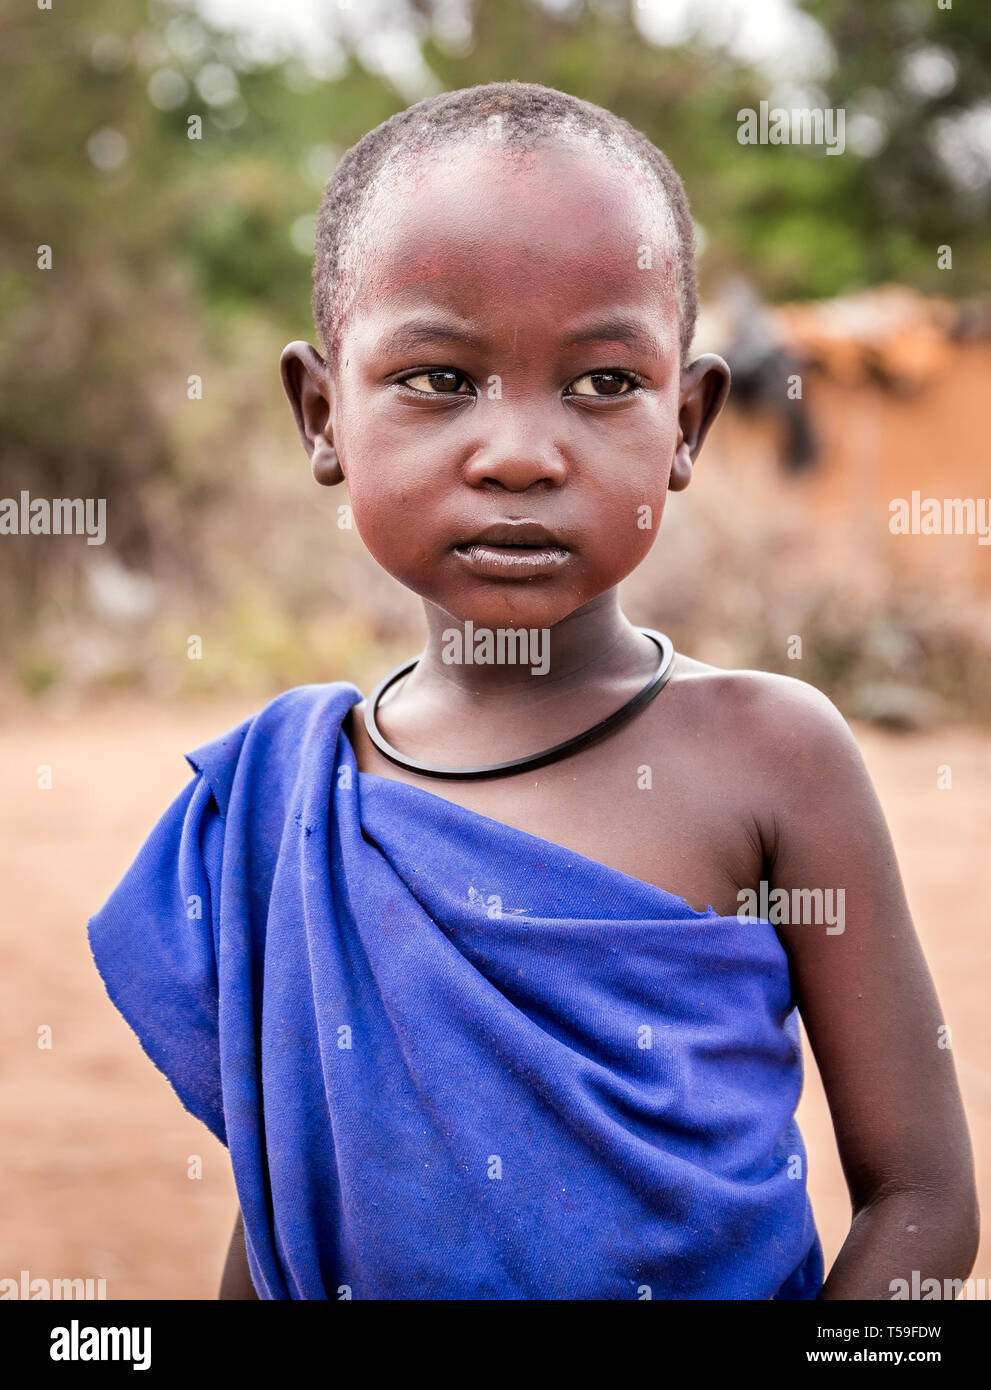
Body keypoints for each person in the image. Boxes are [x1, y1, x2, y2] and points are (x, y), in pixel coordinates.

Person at [88, 82, 978, 1301]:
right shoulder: (286, 800)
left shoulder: (772, 755)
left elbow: (924, 1203)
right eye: (438, 378)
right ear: (321, 414)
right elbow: (293, 1199)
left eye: (604, 382)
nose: (518, 451)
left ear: (689, 420)